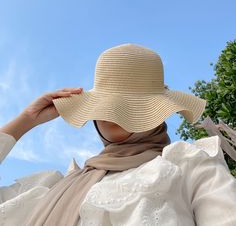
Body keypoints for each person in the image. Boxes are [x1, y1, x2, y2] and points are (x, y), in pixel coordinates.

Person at [0, 43, 236, 226]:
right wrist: (25, 121)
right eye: (106, 105)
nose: (114, 113)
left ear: (158, 112)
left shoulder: (189, 168)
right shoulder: (51, 187)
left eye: (132, 104)